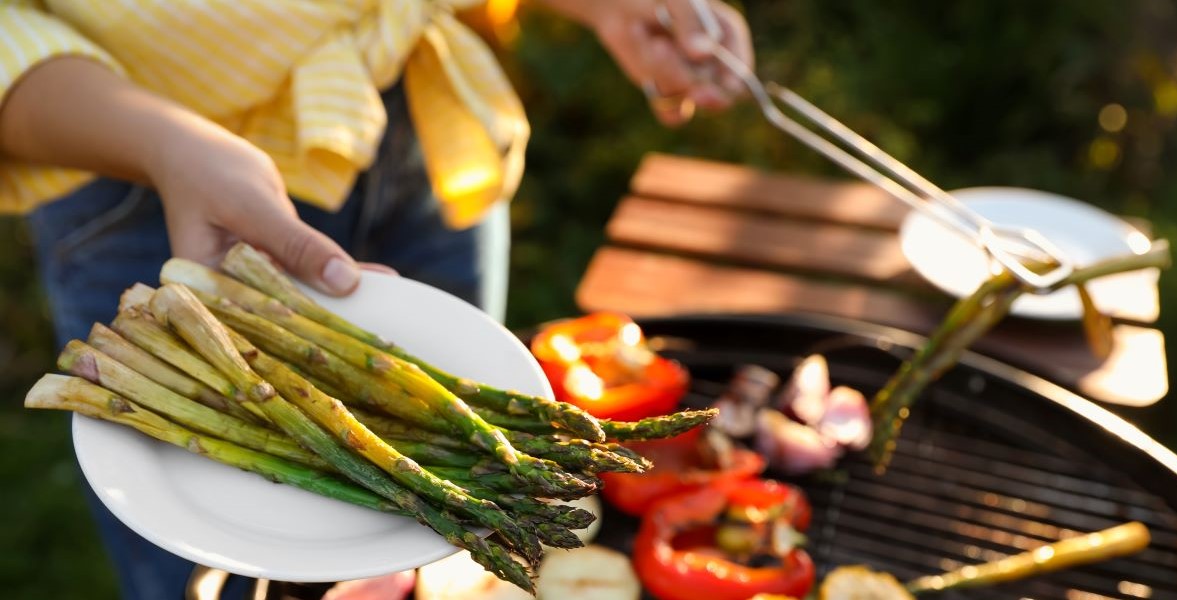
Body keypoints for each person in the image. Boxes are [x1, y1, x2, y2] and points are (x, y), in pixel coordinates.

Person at [0, 1, 753, 598]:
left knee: (429, 527)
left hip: (414, 111)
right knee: (196, 575)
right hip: (125, 156)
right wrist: (165, 146)